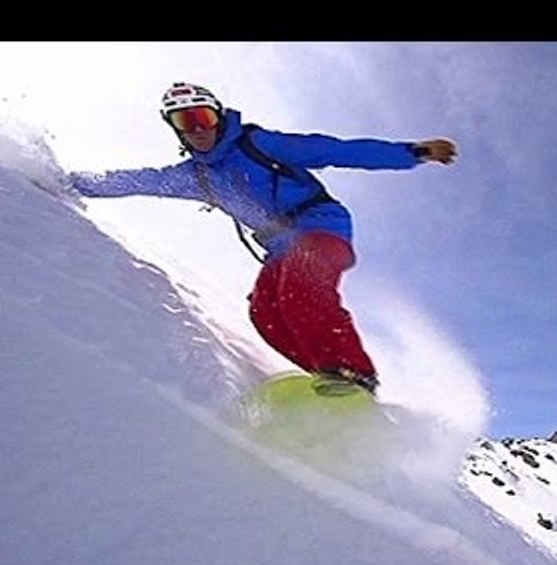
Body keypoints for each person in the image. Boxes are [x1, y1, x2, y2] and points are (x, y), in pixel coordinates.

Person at [70, 82, 457, 396]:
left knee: (302, 283)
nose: (198, 128)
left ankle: (353, 373)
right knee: (266, 311)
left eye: (203, 116)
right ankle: (325, 376)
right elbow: (143, 180)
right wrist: (68, 182)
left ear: (218, 116)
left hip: (320, 227)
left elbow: (334, 149)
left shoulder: (258, 145)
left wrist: (413, 153)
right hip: (279, 248)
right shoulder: (194, 176)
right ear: (176, 128)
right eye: (185, 121)